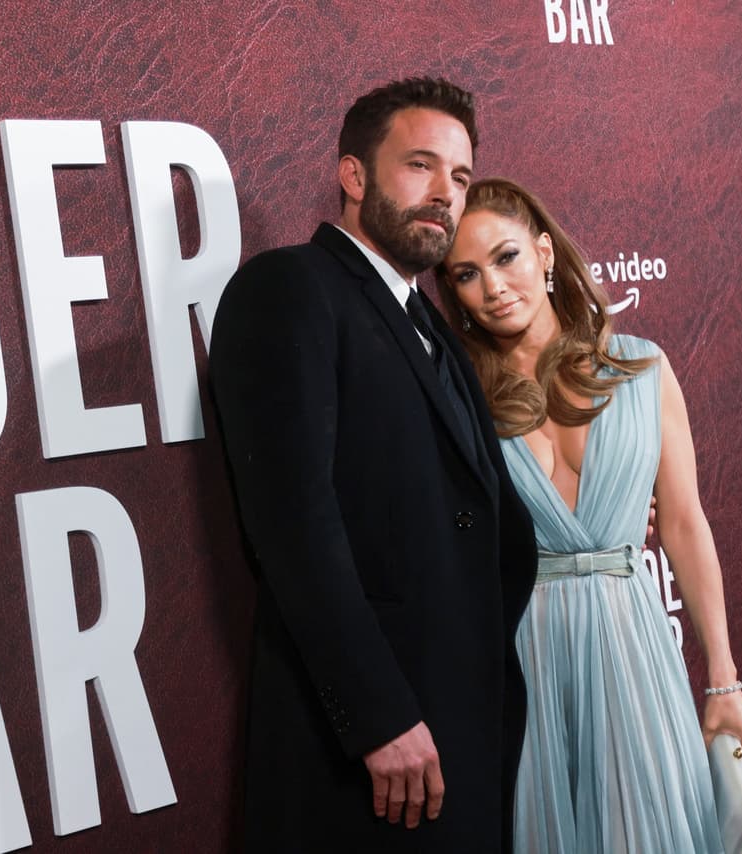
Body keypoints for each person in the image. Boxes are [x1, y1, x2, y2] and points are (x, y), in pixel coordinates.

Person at [210, 80, 538, 852]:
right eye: (420, 166)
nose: (443, 195)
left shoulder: (429, 320)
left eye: (458, 178)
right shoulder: (289, 288)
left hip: (459, 732)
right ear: (353, 176)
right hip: (365, 751)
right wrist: (377, 713)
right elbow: (295, 528)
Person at [436, 177, 742, 853]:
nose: (493, 288)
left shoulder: (642, 369)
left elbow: (683, 525)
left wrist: (723, 678)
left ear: (545, 252)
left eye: (506, 258)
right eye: (466, 274)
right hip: (526, 661)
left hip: (633, 648)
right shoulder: (460, 403)